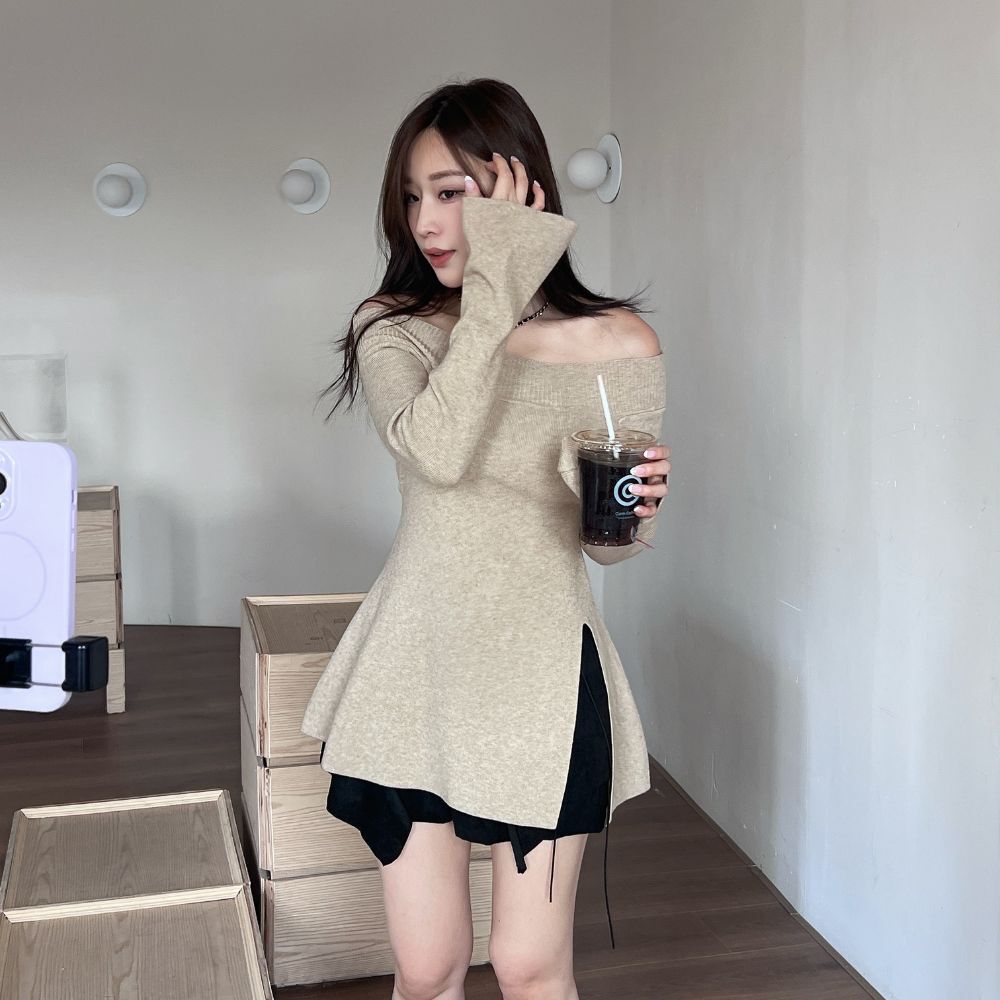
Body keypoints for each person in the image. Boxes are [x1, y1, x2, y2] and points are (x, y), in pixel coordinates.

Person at [303, 78, 671, 1000]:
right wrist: (497, 291)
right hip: (416, 666)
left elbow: (607, 547)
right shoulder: (392, 328)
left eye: (451, 193)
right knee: (428, 967)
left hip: (542, 673)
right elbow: (437, 451)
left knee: (529, 964)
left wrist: (635, 513)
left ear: (521, 191)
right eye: (412, 197)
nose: (426, 223)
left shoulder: (617, 343)